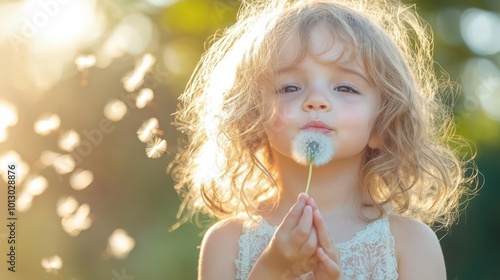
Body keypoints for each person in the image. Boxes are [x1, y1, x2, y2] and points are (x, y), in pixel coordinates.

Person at [169, 0, 476, 279]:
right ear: (253, 117)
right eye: (289, 87)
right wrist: (271, 271)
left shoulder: (411, 244)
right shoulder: (227, 242)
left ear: (383, 124)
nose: (316, 100)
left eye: (345, 88)